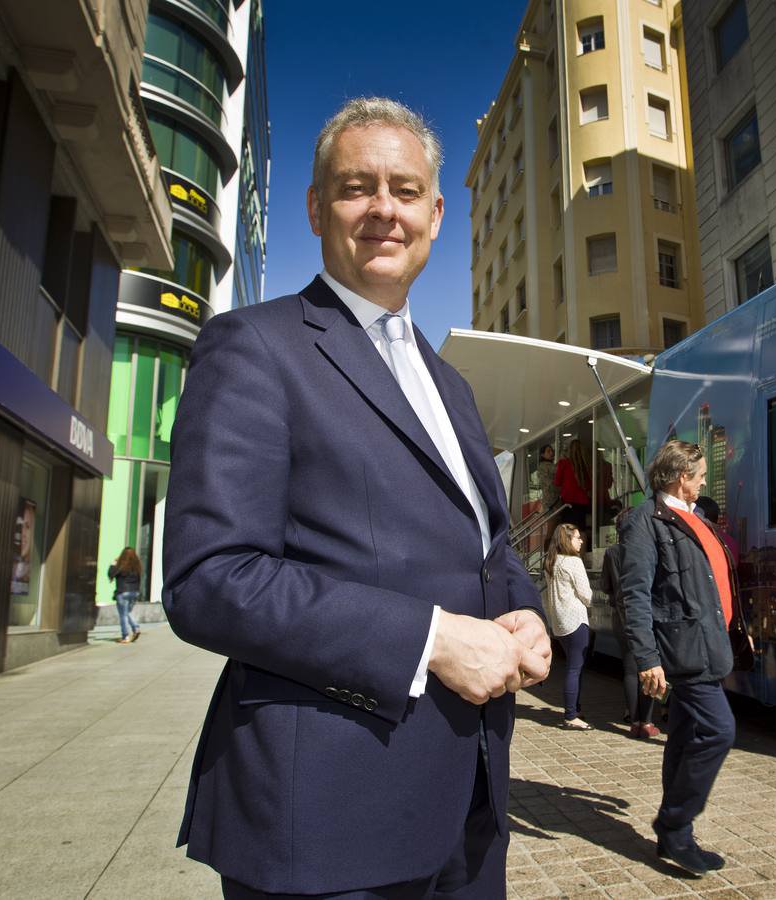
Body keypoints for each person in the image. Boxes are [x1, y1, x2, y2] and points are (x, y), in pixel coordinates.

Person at [163, 97, 551, 898]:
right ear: (315, 207)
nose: (384, 209)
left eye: (405, 191)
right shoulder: (255, 348)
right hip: (327, 825)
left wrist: (523, 609)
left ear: (436, 214)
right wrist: (431, 639)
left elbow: (487, 544)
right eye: (356, 187)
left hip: (467, 810)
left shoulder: (452, 386)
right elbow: (210, 579)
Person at [620, 440, 742, 877]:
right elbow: (634, 595)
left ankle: (675, 835)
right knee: (718, 730)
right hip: (683, 652)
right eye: (701, 473)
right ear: (679, 477)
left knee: (686, 736)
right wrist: (647, 658)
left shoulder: (698, 519)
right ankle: (673, 825)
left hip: (709, 645)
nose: (706, 480)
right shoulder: (645, 522)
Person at [600, 518, 658, 739]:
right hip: (645, 616)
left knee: (630, 670)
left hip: (620, 617)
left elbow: (605, 585)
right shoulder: (645, 548)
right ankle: (647, 721)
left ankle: (633, 721)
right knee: (650, 665)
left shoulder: (611, 552)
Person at [544, 524, 594, 730]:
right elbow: (587, 595)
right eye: (576, 538)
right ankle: (570, 715)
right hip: (576, 620)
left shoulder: (551, 562)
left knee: (573, 666)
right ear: (567, 540)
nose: (581, 541)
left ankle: (575, 707)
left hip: (558, 622)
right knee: (575, 669)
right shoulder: (574, 562)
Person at [108, 547, 143, 644]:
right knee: (128, 612)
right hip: (134, 592)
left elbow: (111, 574)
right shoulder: (137, 566)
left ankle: (125, 636)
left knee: (123, 615)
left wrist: (113, 564)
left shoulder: (120, 566)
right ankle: (136, 629)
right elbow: (139, 580)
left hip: (122, 592)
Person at [554, 439, 592, 527]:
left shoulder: (563, 463)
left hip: (568, 502)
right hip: (582, 503)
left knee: (568, 531)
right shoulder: (586, 465)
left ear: (569, 450)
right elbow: (589, 486)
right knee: (581, 529)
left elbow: (557, 482)